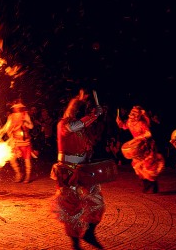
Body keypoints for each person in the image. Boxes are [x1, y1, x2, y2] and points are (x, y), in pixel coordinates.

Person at [50, 89, 107, 250]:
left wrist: (96, 115)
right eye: (72, 108)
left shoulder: (80, 128)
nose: (73, 111)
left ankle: (89, 233)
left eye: (75, 109)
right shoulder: (63, 125)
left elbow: (86, 134)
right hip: (67, 172)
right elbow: (77, 125)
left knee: (97, 202)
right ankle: (75, 245)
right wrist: (94, 114)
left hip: (83, 170)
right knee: (71, 207)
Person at [116, 105, 165, 194]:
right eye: (132, 113)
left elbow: (148, 134)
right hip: (138, 148)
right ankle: (147, 183)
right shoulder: (130, 122)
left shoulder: (141, 123)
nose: (132, 115)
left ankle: (152, 183)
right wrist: (119, 122)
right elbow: (124, 126)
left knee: (148, 166)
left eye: (134, 114)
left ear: (138, 115)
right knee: (137, 166)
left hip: (147, 147)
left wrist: (139, 138)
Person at [1, 103, 34, 183]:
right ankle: (18, 173)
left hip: (25, 142)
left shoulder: (25, 115)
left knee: (27, 159)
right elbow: (7, 129)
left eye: (18, 108)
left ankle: (28, 176)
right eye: (15, 108)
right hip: (15, 142)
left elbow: (31, 126)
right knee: (12, 158)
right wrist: (11, 136)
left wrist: (25, 123)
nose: (17, 110)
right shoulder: (11, 117)